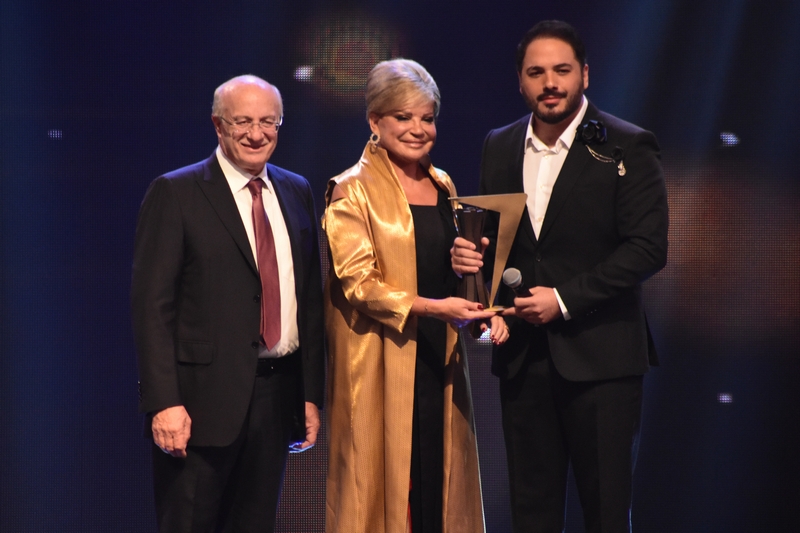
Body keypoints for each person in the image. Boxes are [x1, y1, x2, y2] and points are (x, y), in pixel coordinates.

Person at [451, 21, 669, 533]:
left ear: (584, 75)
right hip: (523, 359)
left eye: (562, 70)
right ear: (520, 82)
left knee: (606, 511)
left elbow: (647, 249)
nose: (550, 83)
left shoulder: (628, 145)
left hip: (603, 360)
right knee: (531, 512)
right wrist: (470, 265)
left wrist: (564, 300)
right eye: (537, 73)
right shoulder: (499, 144)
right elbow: (496, 243)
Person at [131, 75, 325, 533]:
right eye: (243, 122)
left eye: (268, 122)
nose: (257, 134)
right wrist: (164, 403)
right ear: (218, 125)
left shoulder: (296, 190)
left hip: (276, 400)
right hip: (199, 407)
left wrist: (310, 395)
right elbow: (152, 309)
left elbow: (309, 301)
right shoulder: (176, 192)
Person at [323, 59, 506, 533]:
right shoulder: (350, 190)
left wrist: (473, 285)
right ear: (375, 121)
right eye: (403, 117)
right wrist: (433, 308)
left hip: (438, 358)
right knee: (383, 492)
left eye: (427, 118)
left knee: (438, 485)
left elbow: (445, 269)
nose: (417, 129)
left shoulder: (443, 184)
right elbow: (359, 283)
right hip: (378, 362)